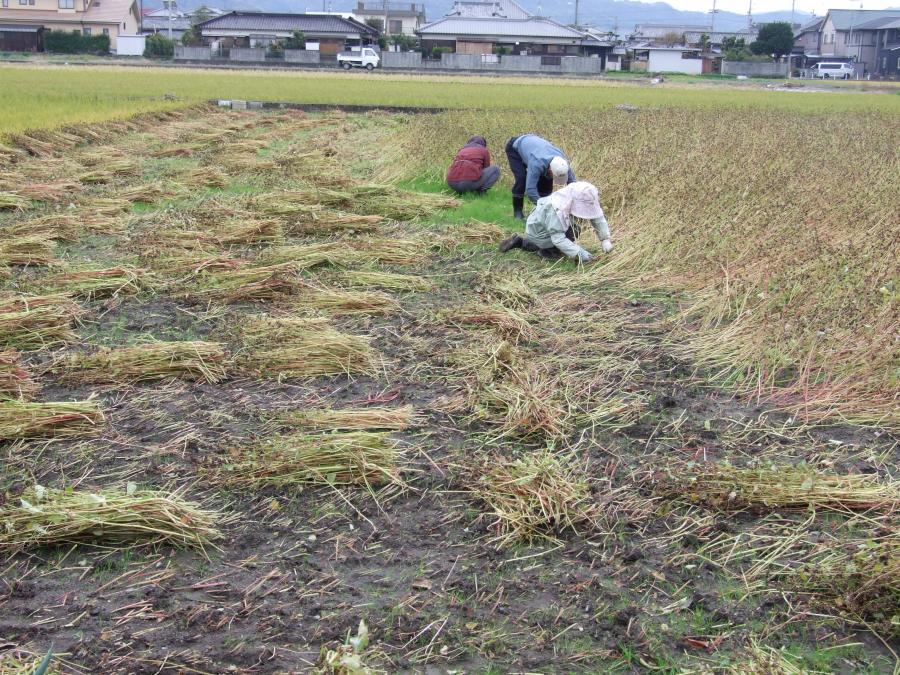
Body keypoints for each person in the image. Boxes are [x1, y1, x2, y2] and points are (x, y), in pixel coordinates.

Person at [499, 181, 613, 263]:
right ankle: (542, 250)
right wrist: (580, 254)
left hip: (544, 227)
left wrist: (605, 239)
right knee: (551, 244)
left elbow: (597, 217)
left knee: (575, 229)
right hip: (538, 232)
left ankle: (526, 243)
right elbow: (558, 239)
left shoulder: (583, 195)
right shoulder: (556, 209)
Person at [505, 134, 576, 219]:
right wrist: (546, 207)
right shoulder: (537, 163)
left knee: (547, 182)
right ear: (550, 169)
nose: (555, 179)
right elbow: (530, 190)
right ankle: (518, 212)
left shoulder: (563, 162)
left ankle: (541, 214)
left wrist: (575, 204)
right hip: (516, 147)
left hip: (536, 149)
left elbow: (573, 185)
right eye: (554, 175)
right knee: (522, 179)